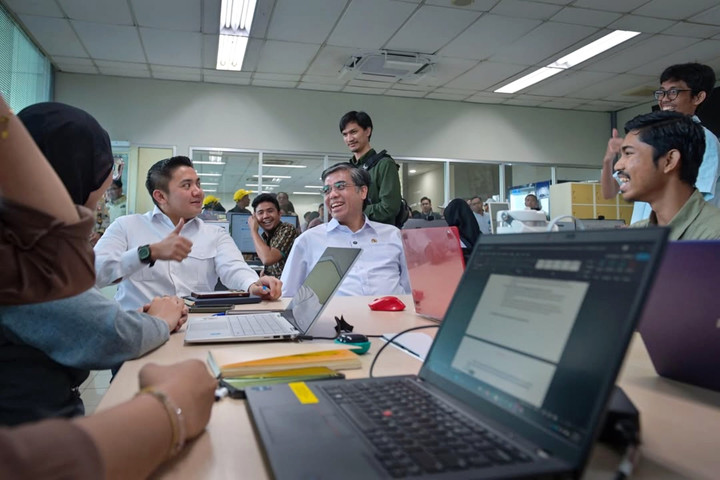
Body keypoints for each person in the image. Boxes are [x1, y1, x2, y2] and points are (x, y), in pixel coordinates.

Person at [0, 97, 216, 479]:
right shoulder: (24, 255)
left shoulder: (23, 248)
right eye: (187, 184)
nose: (98, 206)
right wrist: (171, 406)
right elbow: (103, 323)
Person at [94, 156, 281, 310]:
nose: (198, 192)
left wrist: (253, 284)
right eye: (187, 185)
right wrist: (148, 253)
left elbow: (234, 267)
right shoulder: (126, 226)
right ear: (161, 196)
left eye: (198, 184)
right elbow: (95, 272)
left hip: (196, 327)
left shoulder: (215, 234)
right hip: (138, 328)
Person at [602, 63, 720, 221]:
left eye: (673, 92)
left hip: (680, 232)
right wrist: (608, 160)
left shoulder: (704, 139)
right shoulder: (651, 137)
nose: (664, 99)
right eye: (661, 92)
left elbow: (697, 199)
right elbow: (611, 190)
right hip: (649, 232)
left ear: (698, 97)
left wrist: (659, 230)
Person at [281, 163, 410, 297]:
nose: (332, 195)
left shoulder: (393, 236)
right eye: (326, 190)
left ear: (363, 191)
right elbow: (286, 296)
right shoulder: (308, 241)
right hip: (334, 312)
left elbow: (412, 292)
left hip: (393, 311)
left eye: (340, 186)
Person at [618, 111, 720, 240]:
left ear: (669, 160)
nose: (618, 165)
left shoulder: (714, 235)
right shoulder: (635, 235)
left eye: (628, 153)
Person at [340, 110, 402, 225]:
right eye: (345, 134)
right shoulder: (348, 170)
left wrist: (355, 211)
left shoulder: (384, 164)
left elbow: (389, 208)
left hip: (380, 233)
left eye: (353, 132)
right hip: (351, 233)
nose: (349, 139)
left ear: (367, 131)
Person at [249, 193, 299, 278]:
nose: (265, 216)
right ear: (255, 217)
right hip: (276, 284)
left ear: (279, 214)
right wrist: (266, 271)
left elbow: (267, 258)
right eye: (260, 213)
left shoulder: (287, 230)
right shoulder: (267, 236)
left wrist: (253, 230)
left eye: (270, 211)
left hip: (290, 285)